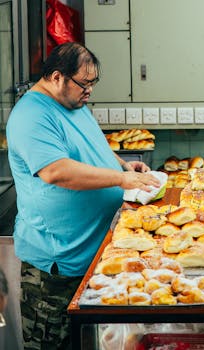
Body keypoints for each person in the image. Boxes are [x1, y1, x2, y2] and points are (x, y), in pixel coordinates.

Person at [6, 42, 160, 350]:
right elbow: (57, 171)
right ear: (57, 77)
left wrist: (121, 163)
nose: (89, 91)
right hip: (58, 264)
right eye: (84, 84)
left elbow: (92, 145)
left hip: (94, 252)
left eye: (93, 84)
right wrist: (121, 178)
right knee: (56, 343)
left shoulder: (74, 104)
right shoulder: (31, 116)